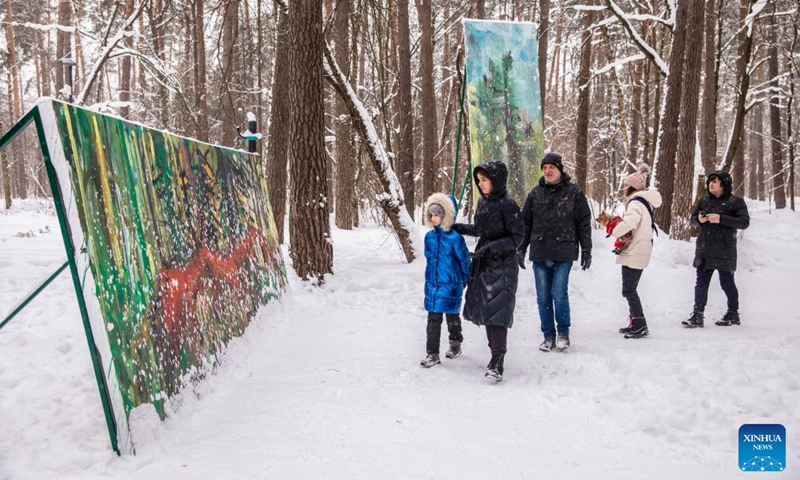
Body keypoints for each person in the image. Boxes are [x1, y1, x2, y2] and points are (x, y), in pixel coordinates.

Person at [452, 161, 523, 381]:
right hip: (484, 262)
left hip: (503, 264)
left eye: (485, 180)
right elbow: (481, 230)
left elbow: (517, 238)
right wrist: (457, 227)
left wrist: (492, 247)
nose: (480, 184)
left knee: (498, 312)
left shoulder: (509, 205)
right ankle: (494, 353)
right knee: (488, 310)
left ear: (496, 180)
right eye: (479, 180)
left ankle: (497, 359)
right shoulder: (483, 203)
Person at [517, 152, 592, 352]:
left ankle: (563, 333)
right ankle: (548, 335)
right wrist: (521, 248)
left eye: (551, 167)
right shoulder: (535, 194)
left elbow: (583, 222)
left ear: (560, 169)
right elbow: (526, 223)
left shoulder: (574, 193)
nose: (547, 171)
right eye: (544, 168)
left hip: (563, 252)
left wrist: (587, 248)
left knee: (558, 293)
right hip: (540, 252)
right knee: (542, 297)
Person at [682, 170, 750, 328]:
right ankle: (697, 315)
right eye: (710, 181)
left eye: (716, 181)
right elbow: (693, 220)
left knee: (727, 283)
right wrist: (698, 219)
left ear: (724, 184)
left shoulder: (736, 201)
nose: (711, 184)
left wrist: (721, 219)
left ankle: (733, 313)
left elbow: (744, 222)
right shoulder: (704, 200)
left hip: (725, 249)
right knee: (701, 283)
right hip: (705, 249)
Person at [605, 164, 662, 339]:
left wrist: (614, 229)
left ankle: (639, 324)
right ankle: (635, 322)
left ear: (632, 187)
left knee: (629, 290)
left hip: (635, 250)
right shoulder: (643, 201)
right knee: (630, 288)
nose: (624, 188)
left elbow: (630, 222)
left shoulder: (636, 202)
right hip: (640, 248)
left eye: (625, 185)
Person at [420, 193, 471, 368]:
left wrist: (465, 280)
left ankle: (455, 343)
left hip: (451, 285)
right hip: (433, 285)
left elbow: (464, 260)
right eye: (431, 214)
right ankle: (432, 353)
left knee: (452, 317)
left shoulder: (455, 238)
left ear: (446, 215)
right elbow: (429, 258)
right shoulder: (429, 237)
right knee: (433, 318)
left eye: (437, 214)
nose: (433, 218)